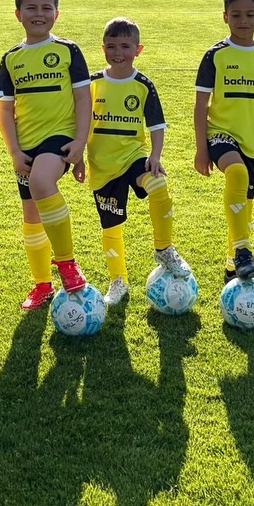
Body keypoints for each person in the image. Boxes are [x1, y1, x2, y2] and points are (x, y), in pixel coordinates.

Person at [0, 0, 92, 309]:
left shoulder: (68, 51)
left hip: (61, 138)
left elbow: (84, 99)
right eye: (31, 8)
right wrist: (13, 151)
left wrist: (81, 143)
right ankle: (42, 285)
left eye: (46, 8)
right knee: (31, 215)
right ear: (18, 14)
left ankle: (67, 263)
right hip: (26, 145)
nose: (39, 14)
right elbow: (5, 109)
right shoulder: (10, 59)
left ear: (57, 13)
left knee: (41, 181)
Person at [88, 17, 193, 306]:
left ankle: (164, 248)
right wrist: (78, 159)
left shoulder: (144, 85)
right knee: (111, 226)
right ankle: (118, 280)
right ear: (103, 48)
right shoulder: (93, 83)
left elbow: (156, 125)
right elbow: (82, 122)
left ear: (139, 49)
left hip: (134, 157)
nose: (118, 52)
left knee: (158, 185)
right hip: (102, 166)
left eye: (125, 46)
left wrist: (155, 156)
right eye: (111, 46)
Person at [194, 0, 254, 283]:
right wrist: (201, 148)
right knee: (237, 173)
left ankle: (233, 262)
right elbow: (200, 106)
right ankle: (244, 250)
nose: (243, 21)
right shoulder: (215, 55)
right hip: (220, 134)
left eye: (249, 15)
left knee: (244, 208)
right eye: (236, 16)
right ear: (225, 17)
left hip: (252, 144)